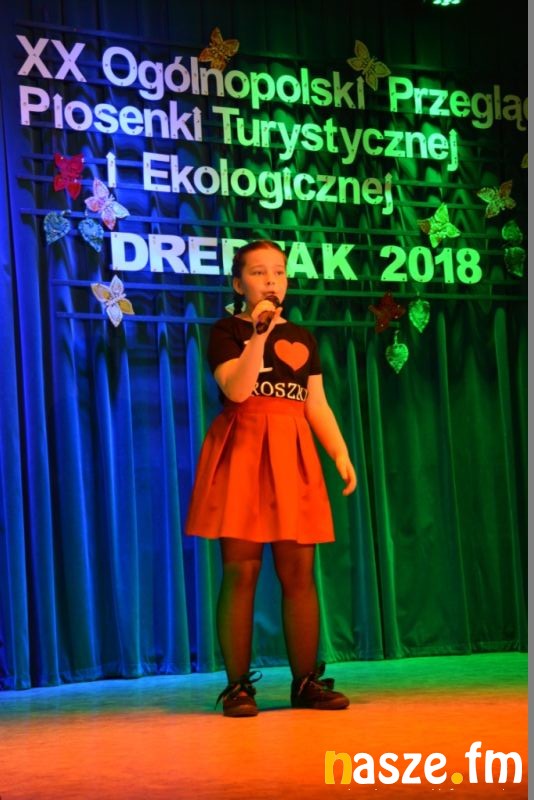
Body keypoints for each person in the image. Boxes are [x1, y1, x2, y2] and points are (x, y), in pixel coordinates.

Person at [185, 240, 357, 717]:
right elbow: (237, 389)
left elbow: (315, 404)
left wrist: (339, 452)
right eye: (259, 273)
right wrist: (258, 334)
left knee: (299, 573)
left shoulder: (302, 337)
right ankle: (237, 687)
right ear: (238, 284)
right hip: (242, 452)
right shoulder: (226, 331)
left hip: (292, 453)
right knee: (241, 571)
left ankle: (306, 682)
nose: (271, 281)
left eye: (279, 272)